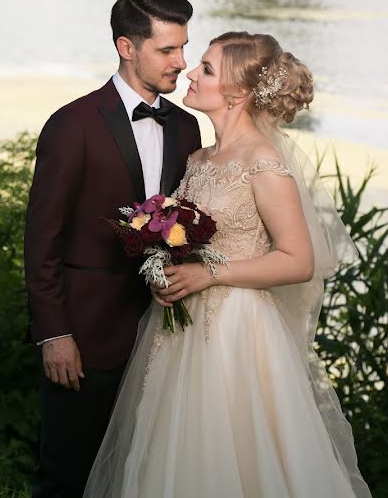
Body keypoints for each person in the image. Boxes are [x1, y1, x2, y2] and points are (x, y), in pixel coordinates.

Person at [83, 32, 371, 497]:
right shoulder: (199, 158)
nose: (190, 74)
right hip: (178, 330)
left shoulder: (264, 163)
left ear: (237, 93)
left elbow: (300, 261)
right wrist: (167, 271)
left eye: (207, 69)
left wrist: (210, 273)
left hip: (236, 334)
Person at [24, 0, 202, 498]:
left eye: (184, 47)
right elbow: (42, 242)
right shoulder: (71, 125)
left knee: (138, 475)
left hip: (163, 333)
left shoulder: (187, 128)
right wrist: (53, 333)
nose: (181, 62)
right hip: (84, 334)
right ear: (127, 47)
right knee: (66, 476)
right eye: (167, 50)